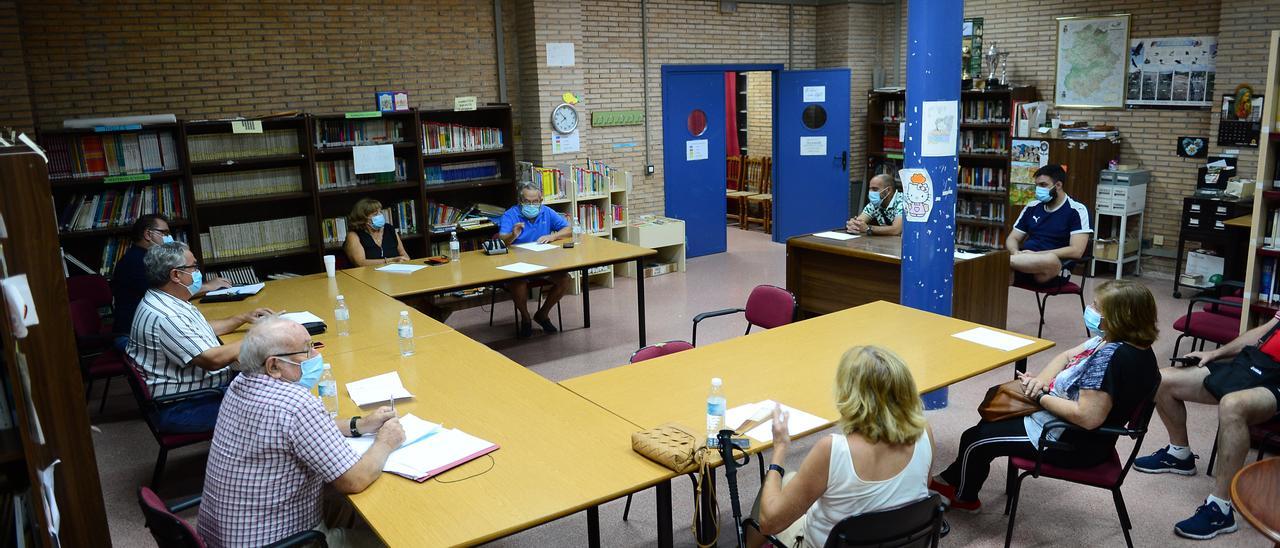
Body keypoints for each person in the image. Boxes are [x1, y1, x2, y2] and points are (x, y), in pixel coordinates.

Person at [931, 279, 1159, 512]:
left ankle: (964, 497)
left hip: (1069, 440)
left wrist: (1040, 395)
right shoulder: (1123, 343)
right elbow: (1066, 356)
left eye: (1097, 307)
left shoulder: (1110, 359)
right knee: (989, 421)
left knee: (975, 440)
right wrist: (1040, 381)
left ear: (1120, 316)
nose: (1090, 310)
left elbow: (1088, 418)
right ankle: (952, 480)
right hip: (1068, 425)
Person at [198, 316, 404, 547]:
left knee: (345, 505)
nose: (315, 356)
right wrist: (385, 442)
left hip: (228, 535)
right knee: (401, 540)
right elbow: (355, 480)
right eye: (306, 351)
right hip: (283, 542)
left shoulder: (241, 384)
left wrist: (358, 425)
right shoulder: (296, 405)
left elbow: (293, 431)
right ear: (273, 365)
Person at [747, 346, 933, 547]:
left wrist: (780, 448)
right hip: (897, 540)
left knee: (775, 482)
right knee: (800, 484)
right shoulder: (924, 432)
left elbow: (769, 523)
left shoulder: (833, 450)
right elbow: (922, 487)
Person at [1133, 311, 1280, 539]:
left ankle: (1220, 508)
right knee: (1162, 379)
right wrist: (1216, 353)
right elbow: (1265, 331)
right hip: (1253, 365)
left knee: (1233, 405)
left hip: (1276, 383)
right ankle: (1179, 455)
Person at [126, 242, 273, 432]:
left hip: (195, 392)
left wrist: (241, 318)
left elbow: (195, 330)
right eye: (193, 267)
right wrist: (264, 336)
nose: (198, 272)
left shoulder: (164, 298)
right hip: (186, 404)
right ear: (176, 275)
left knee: (270, 379)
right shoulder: (166, 315)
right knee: (275, 404)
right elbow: (213, 360)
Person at [111, 214, 231, 349]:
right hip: (130, 337)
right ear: (148, 234)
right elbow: (172, 290)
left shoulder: (143, 257)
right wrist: (209, 286)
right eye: (165, 233)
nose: (169, 237)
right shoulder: (137, 262)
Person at [497, 183, 572, 338]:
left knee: (565, 279)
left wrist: (553, 236)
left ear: (541, 200)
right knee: (518, 283)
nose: (531, 205)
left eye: (535, 201)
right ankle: (525, 318)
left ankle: (542, 314)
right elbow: (502, 241)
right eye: (527, 202)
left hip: (544, 264)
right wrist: (512, 235)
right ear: (520, 201)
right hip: (518, 265)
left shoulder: (546, 212)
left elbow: (568, 229)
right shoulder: (510, 215)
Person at [1006, 164, 1092, 283]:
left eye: (1043, 185)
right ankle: (1009, 262)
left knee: (1050, 259)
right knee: (999, 277)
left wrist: (1036, 255)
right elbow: (1012, 238)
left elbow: (1077, 251)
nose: (1038, 189)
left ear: (1058, 185)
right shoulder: (1032, 207)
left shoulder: (1077, 210)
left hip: (1055, 269)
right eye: (1037, 185)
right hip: (1023, 264)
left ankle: (1002, 262)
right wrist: (1016, 252)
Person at [343, 198, 410, 266]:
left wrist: (405, 260)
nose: (380, 216)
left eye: (380, 212)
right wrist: (391, 261)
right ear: (363, 218)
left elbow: (404, 254)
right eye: (375, 214)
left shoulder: (389, 229)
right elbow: (360, 263)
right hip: (368, 275)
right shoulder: (353, 235)